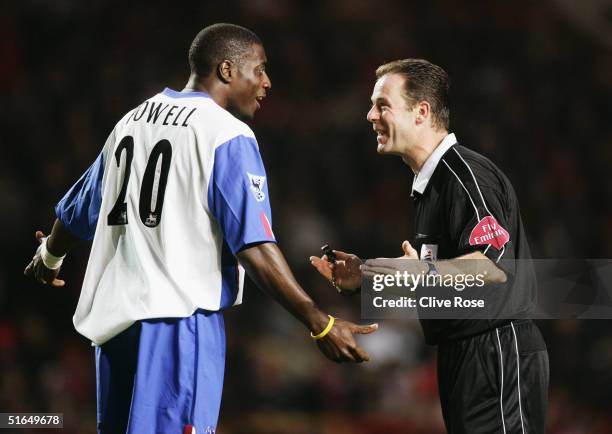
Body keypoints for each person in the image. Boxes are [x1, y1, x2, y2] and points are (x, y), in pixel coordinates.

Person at [23, 23, 377, 434]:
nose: (267, 82)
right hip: (177, 327)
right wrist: (320, 322)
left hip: (114, 333)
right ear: (227, 70)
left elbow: (78, 209)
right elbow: (254, 247)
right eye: (259, 69)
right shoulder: (226, 134)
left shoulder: (132, 120)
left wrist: (50, 255)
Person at [311, 59, 548, 434]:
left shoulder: (465, 175)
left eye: (383, 104)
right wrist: (368, 277)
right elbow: (440, 280)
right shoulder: (433, 183)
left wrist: (421, 271)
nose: (370, 115)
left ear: (421, 112)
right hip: (465, 354)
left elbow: (493, 266)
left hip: (494, 351)